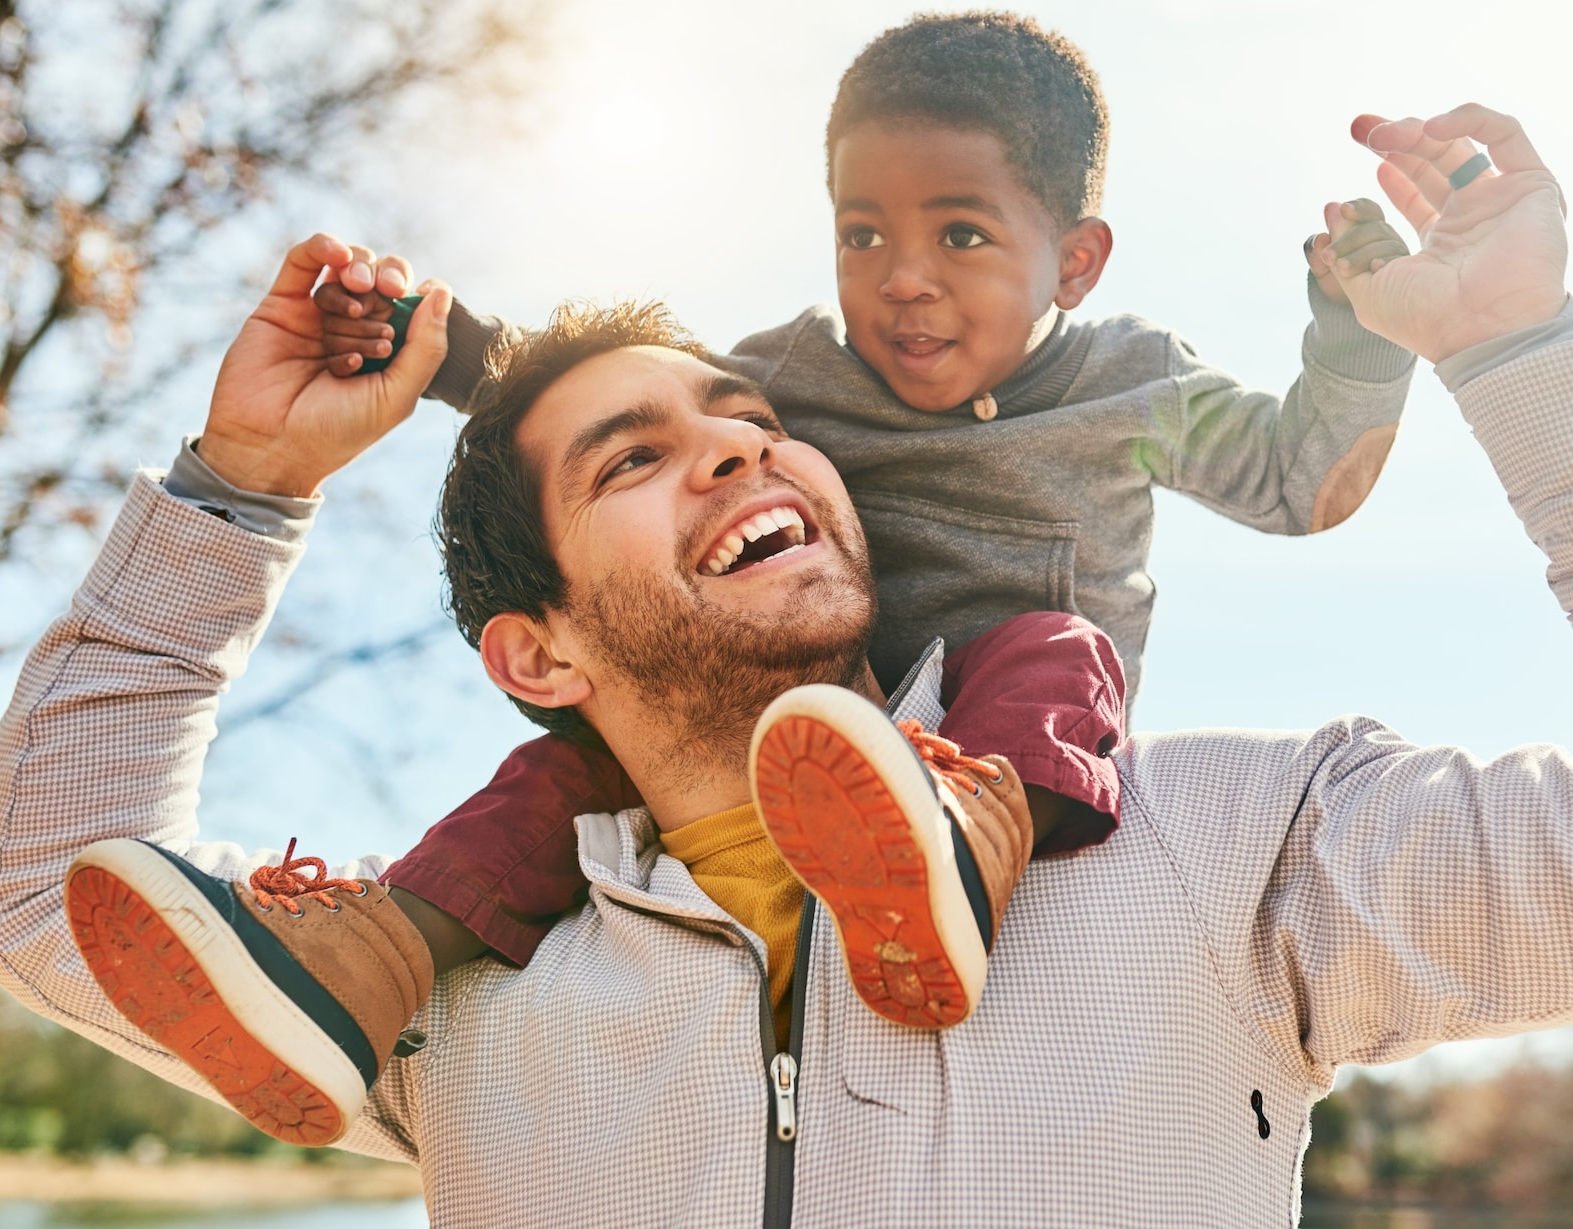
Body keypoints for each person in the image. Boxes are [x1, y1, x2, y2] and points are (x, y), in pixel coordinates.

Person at [0, 104, 1573, 1227]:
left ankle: (955, 838)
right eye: (636, 456)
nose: (745, 439)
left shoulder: (1242, 857)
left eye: (747, 419)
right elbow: (35, 897)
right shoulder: (483, 988)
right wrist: (240, 486)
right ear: (530, 646)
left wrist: (1512, 344)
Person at [256, 10, 1420, 1085]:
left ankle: (953, 860)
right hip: (794, 724)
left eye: (959, 233)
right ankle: (371, 960)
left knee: (1053, 646)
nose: (901, 280)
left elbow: (1298, 483)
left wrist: (1359, 339)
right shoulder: (792, 373)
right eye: (862, 234)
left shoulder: (1136, 386)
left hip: (1010, 745)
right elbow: (621, 405)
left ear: (1073, 259)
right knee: (566, 768)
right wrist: (435, 348)